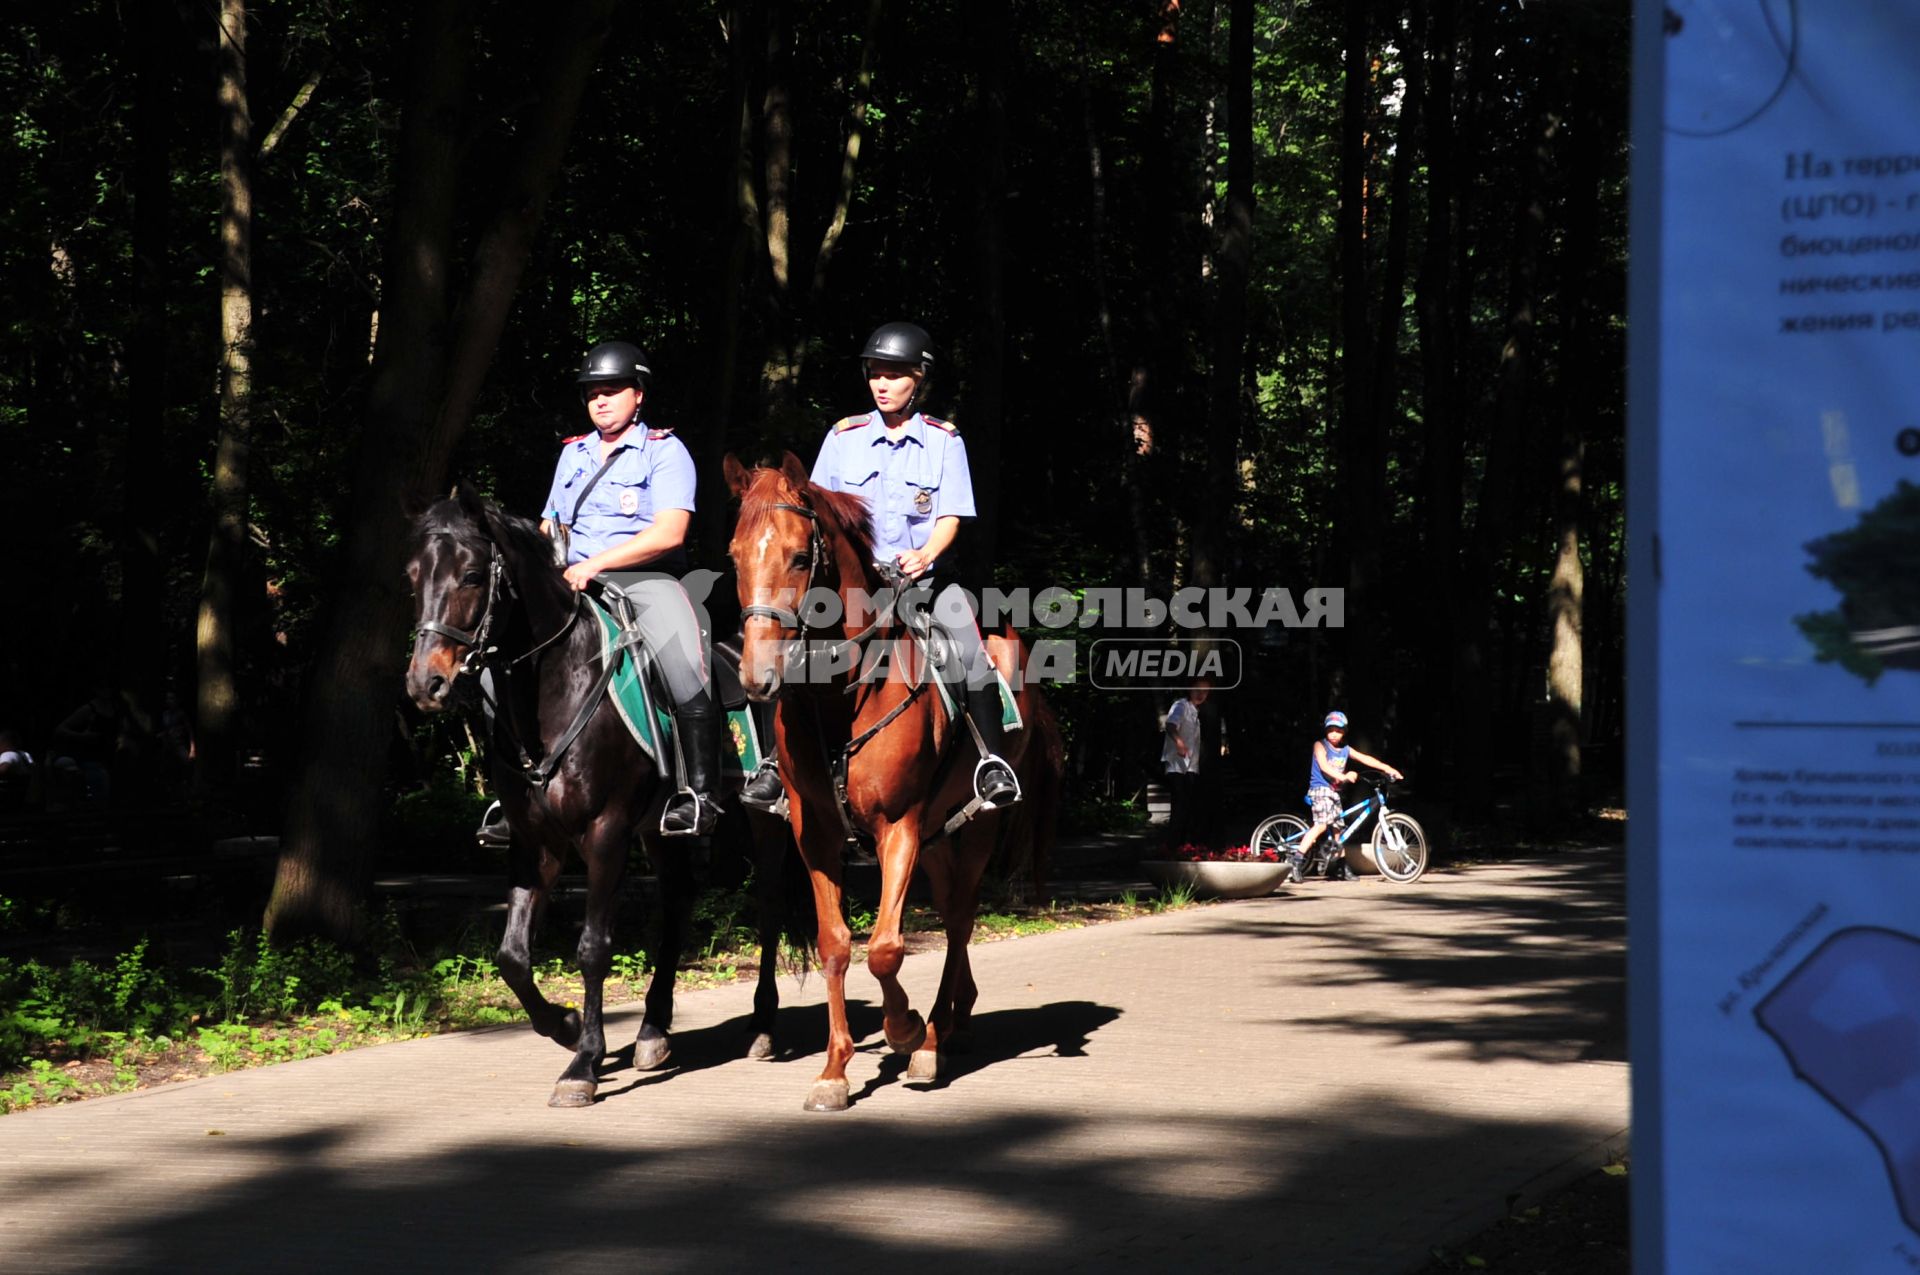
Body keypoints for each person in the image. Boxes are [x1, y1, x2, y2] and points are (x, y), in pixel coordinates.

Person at [741, 321, 1019, 812]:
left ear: (920, 379)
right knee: (785, 644)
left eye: (895, 374)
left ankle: (991, 762)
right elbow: (816, 512)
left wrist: (926, 554)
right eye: (876, 374)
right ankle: (771, 764)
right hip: (855, 586)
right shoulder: (842, 437)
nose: (883, 384)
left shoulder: (943, 441)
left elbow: (951, 515)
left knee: (970, 650)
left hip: (923, 579)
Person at [541, 340, 720, 836]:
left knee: (684, 665)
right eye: (593, 393)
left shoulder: (665, 452)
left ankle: (699, 794)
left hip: (643, 580)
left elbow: (669, 533)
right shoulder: (573, 455)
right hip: (571, 580)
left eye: (612, 391)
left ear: (638, 395)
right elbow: (548, 524)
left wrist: (595, 564)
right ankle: (513, 791)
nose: (600, 401)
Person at [1291, 710, 1402, 881]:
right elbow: (1324, 766)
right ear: (1326, 731)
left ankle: (1340, 867)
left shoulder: (1345, 749)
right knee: (1321, 825)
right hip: (1320, 789)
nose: (1334, 734)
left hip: (1334, 792)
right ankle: (1296, 861)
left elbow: (1365, 758)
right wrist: (1343, 776)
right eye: (1331, 730)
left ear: (1344, 732)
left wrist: (1387, 768)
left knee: (1338, 832)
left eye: (1338, 730)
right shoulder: (1320, 745)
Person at [1160, 680, 1210, 849]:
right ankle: (1172, 846)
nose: (1201, 694)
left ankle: (1183, 846)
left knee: (1188, 808)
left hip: (1190, 768)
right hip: (1176, 765)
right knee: (1180, 806)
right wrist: (1179, 742)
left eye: (1205, 691)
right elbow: (1170, 725)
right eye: (1198, 690)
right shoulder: (1181, 705)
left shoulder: (1196, 713)